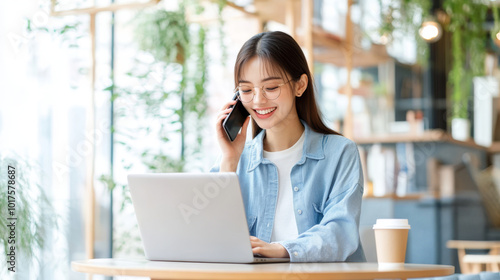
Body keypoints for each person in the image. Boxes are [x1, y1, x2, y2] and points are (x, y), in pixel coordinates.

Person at [212, 31, 365, 262]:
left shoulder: (340, 153)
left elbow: (341, 233)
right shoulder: (233, 159)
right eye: (246, 90)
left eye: (270, 88)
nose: (258, 100)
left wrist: (283, 249)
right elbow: (212, 238)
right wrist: (230, 161)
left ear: (300, 85)